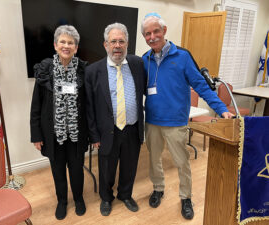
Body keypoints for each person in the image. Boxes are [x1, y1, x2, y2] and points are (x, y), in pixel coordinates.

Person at [141, 13, 234, 220]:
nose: (152, 36)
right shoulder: (144, 60)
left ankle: (186, 197)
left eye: (156, 31)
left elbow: (202, 86)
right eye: (147, 33)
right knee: (154, 159)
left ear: (164, 31)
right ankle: (158, 188)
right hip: (153, 121)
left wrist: (221, 109)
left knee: (181, 162)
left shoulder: (182, 56)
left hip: (176, 122)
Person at [85, 23, 145, 216]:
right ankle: (106, 198)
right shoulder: (93, 71)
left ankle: (125, 195)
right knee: (106, 169)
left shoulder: (137, 64)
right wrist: (94, 136)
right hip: (106, 131)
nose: (117, 45)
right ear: (105, 45)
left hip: (132, 128)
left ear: (127, 43)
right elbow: (89, 108)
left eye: (121, 41)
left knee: (130, 166)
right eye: (113, 41)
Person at [30, 25, 88, 220]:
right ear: (55, 45)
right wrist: (36, 136)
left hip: (77, 133)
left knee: (76, 168)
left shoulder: (83, 70)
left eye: (70, 43)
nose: (66, 45)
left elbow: (89, 105)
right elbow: (36, 106)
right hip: (52, 134)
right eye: (62, 42)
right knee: (58, 170)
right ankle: (62, 201)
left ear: (76, 47)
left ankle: (79, 198)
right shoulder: (45, 69)